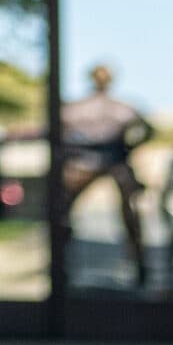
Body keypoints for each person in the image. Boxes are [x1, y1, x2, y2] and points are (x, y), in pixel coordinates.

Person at [57, 62, 154, 289]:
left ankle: (139, 266)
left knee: (130, 212)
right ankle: (61, 265)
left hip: (102, 161)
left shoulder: (79, 108)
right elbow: (147, 130)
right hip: (97, 161)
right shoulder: (120, 107)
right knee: (62, 210)